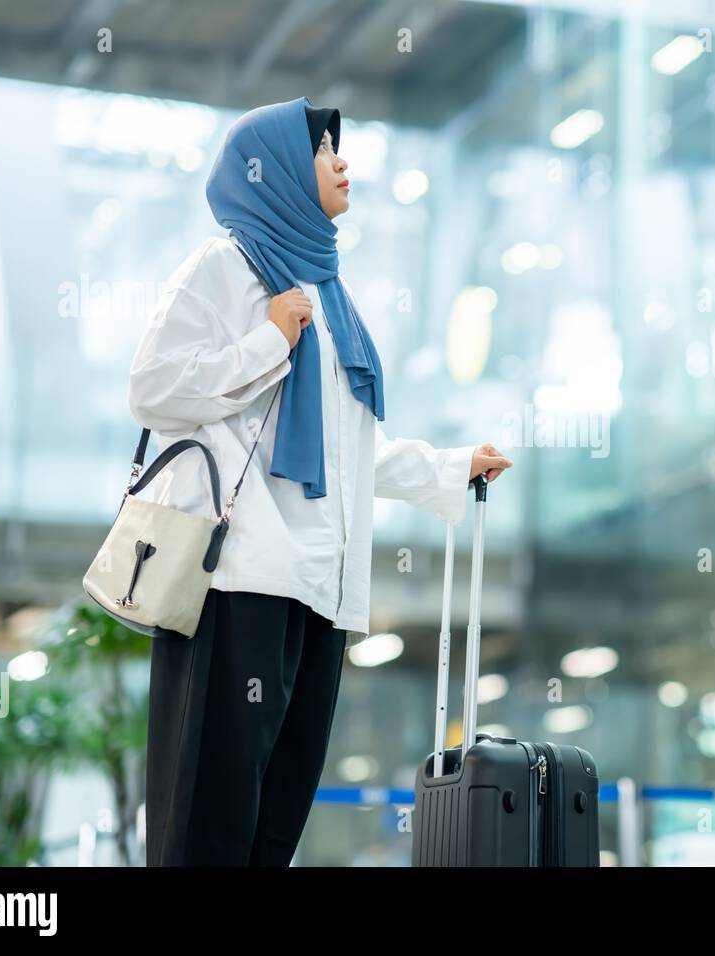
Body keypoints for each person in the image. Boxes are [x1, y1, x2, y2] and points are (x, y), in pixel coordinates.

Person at [128, 97, 512, 866]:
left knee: (276, 823)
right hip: (236, 579)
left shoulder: (331, 300)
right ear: (270, 172)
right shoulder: (226, 267)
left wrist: (447, 466)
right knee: (208, 820)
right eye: (323, 150)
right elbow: (154, 386)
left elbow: (348, 454)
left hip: (322, 591)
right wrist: (267, 339)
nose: (343, 162)